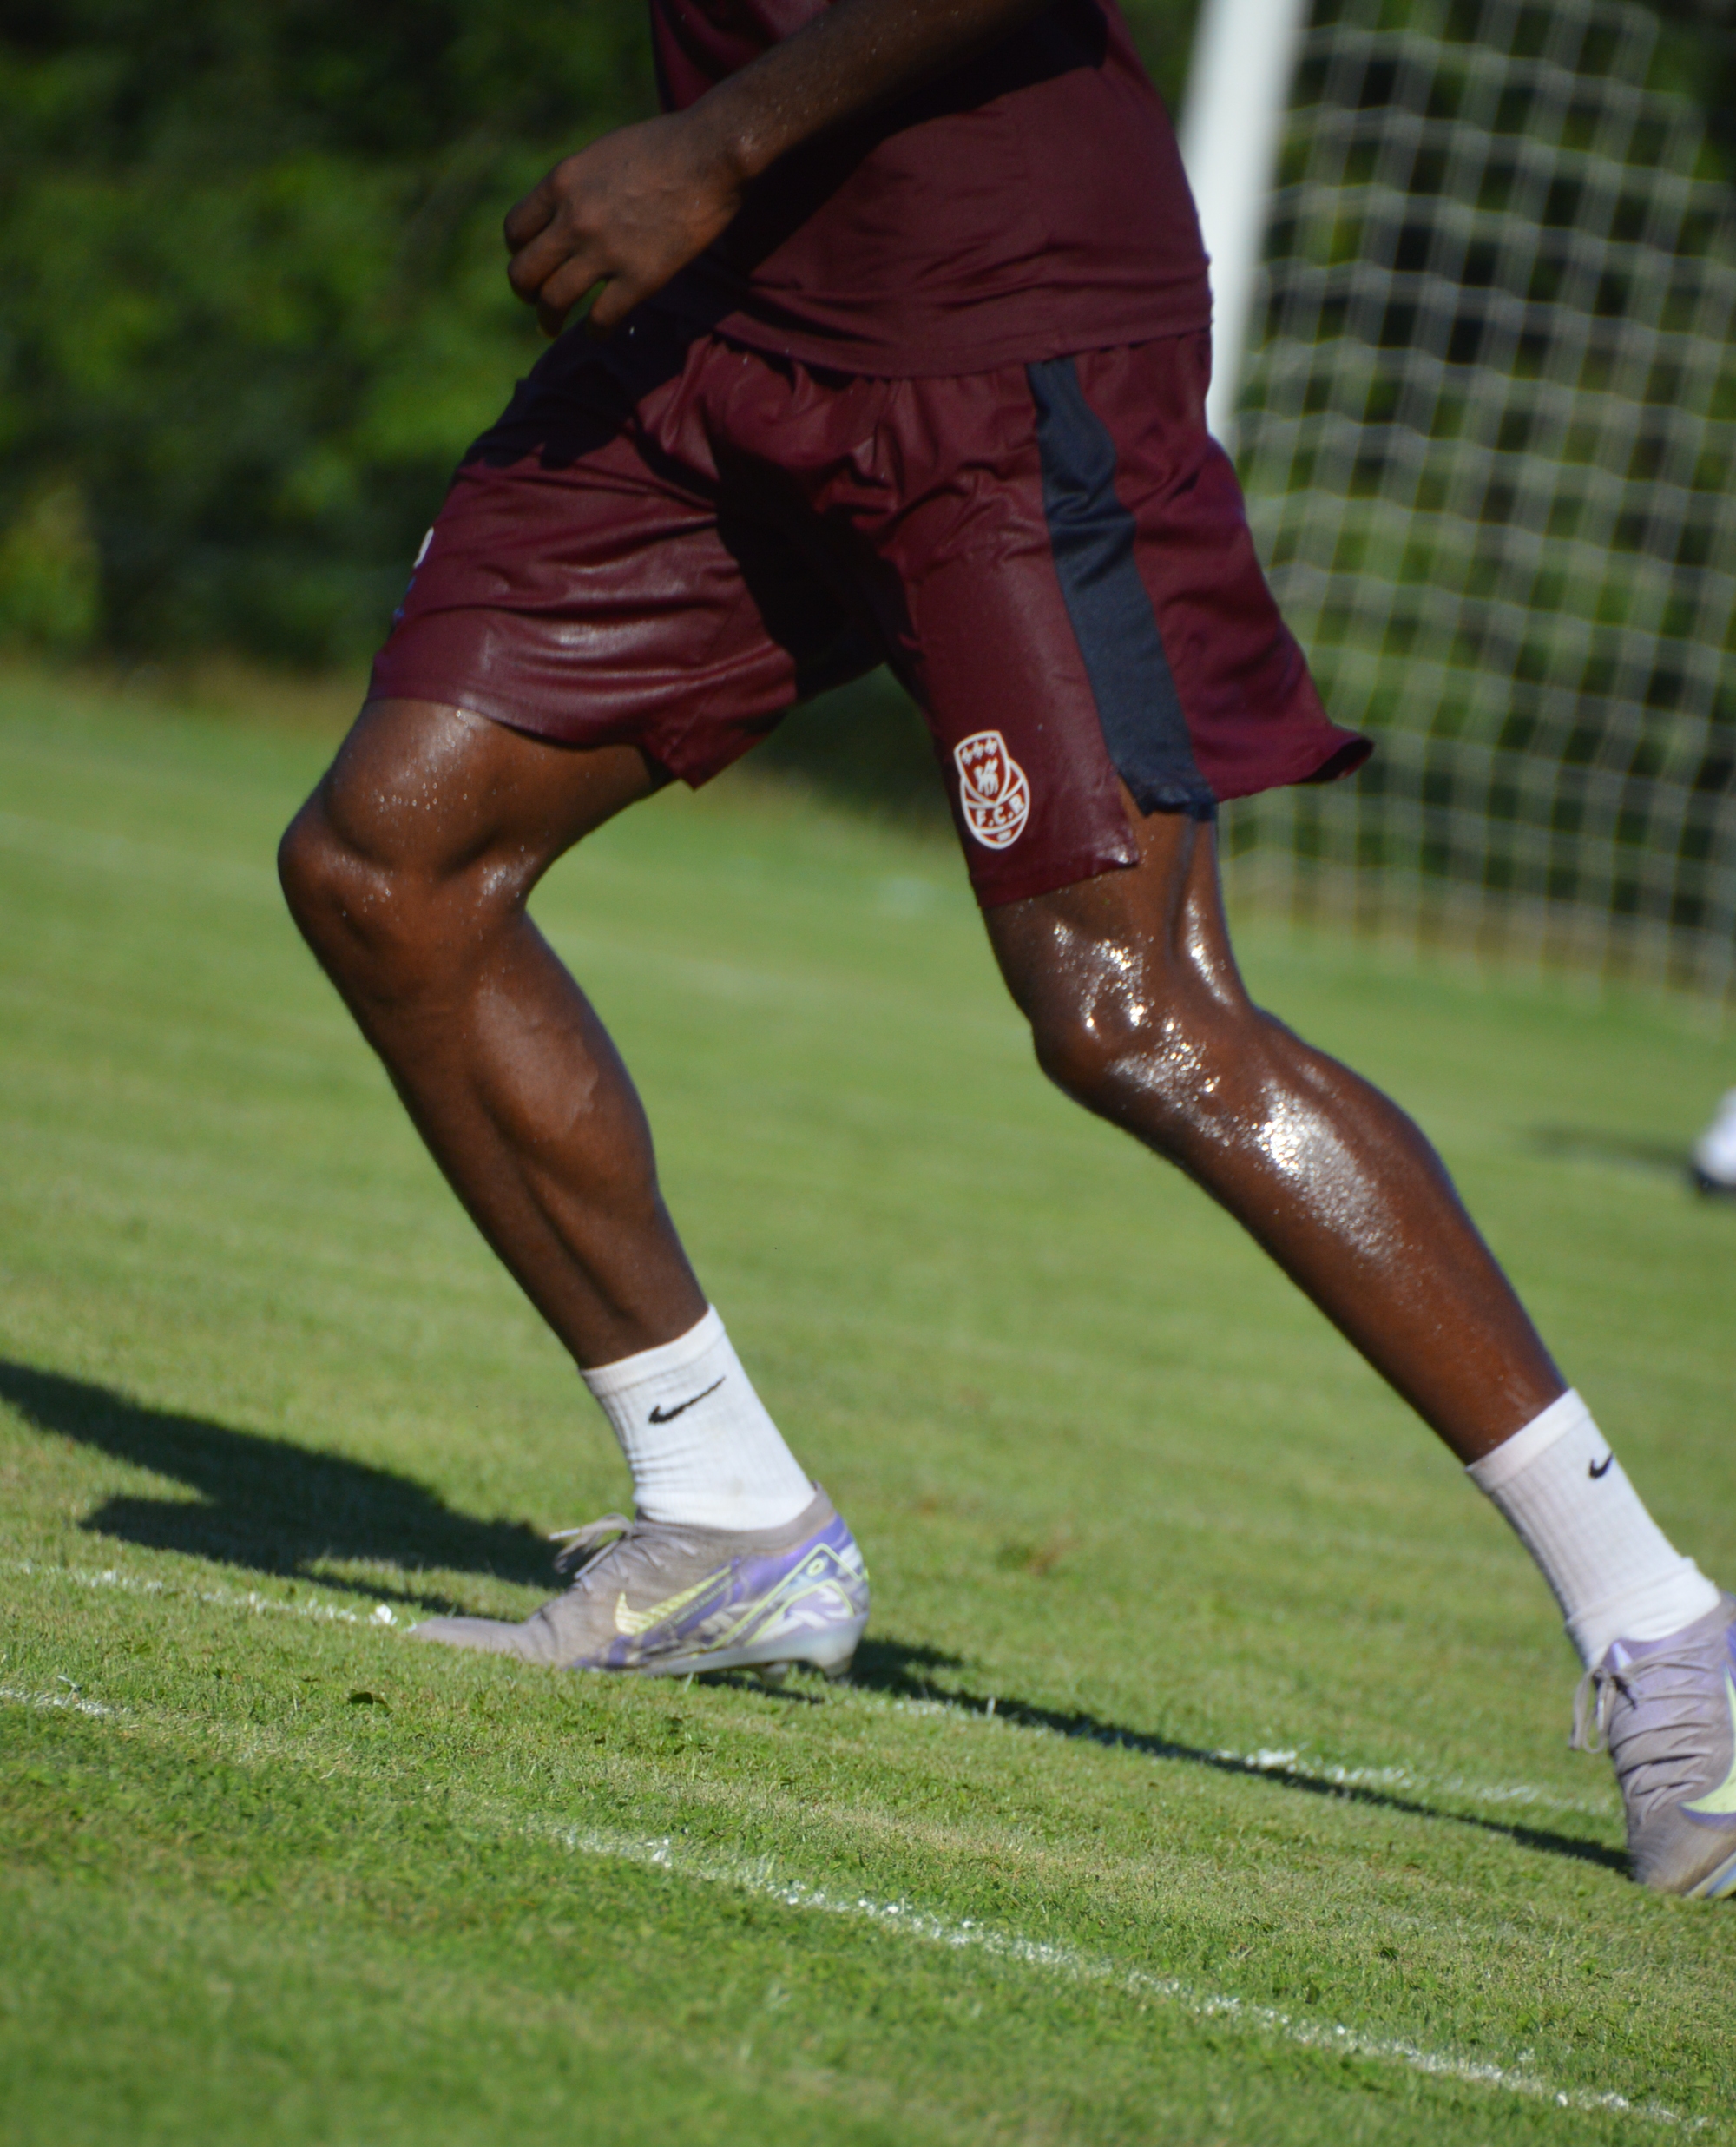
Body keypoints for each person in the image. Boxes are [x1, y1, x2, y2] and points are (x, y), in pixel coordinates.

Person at [277, 0, 1736, 1898]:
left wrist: (714, 141)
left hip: (994, 323)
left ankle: (1663, 1630)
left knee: (1133, 1011)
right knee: (390, 864)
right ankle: (722, 1511)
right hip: (730, 317)